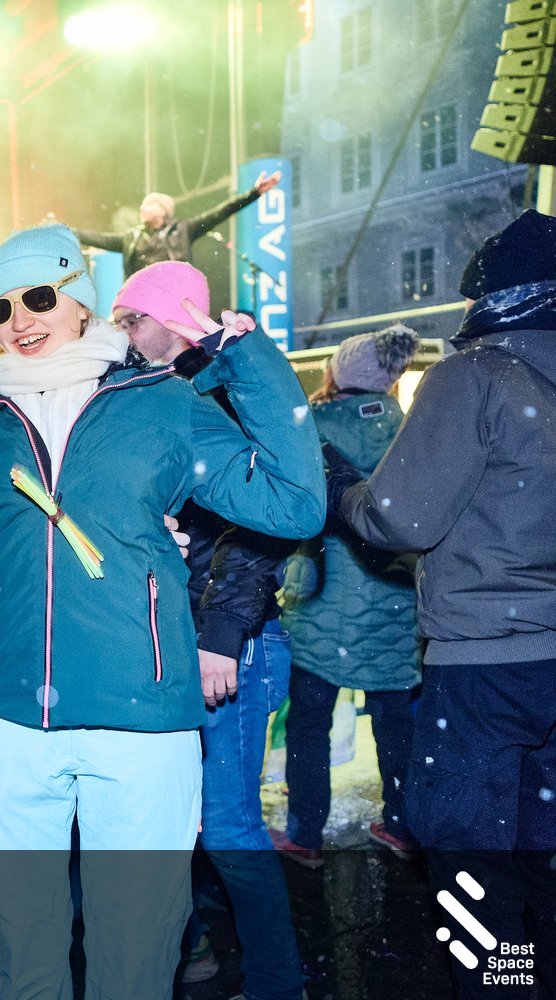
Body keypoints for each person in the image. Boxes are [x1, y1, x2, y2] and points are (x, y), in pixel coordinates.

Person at [0, 240, 324, 1000]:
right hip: (9, 720)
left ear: (80, 299)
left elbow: (294, 504)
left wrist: (246, 361)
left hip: (140, 716)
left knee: (137, 950)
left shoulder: (161, 404)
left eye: (39, 298)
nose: (20, 320)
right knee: (19, 950)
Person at [329, 210, 556, 998]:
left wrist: (344, 491)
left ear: (489, 298)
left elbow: (402, 519)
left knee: (472, 870)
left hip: (483, 667)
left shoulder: (476, 376)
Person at [113, 267, 307, 1000]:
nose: (122, 334)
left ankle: (278, 983)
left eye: (133, 319)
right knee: (172, 815)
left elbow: (261, 532)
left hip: (230, 644)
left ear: (174, 319)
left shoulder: (225, 390)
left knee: (227, 823)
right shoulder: (160, 394)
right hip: (173, 633)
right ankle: (191, 947)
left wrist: (221, 635)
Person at [275, 325, 422, 871]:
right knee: (395, 725)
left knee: (309, 725)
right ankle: (401, 824)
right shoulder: (412, 432)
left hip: (321, 598)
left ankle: (306, 831)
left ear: (337, 372)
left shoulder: (310, 430)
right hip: (395, 601)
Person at [72, 171, 281, 277]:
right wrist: (63, 230)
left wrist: (254, 193)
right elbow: (97, 239)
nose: (142, 208)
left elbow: (221, 212)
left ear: (163, 210)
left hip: (175, 293)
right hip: (141, 297)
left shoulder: (183, 229)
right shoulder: (131, 237)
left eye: (149, 204)